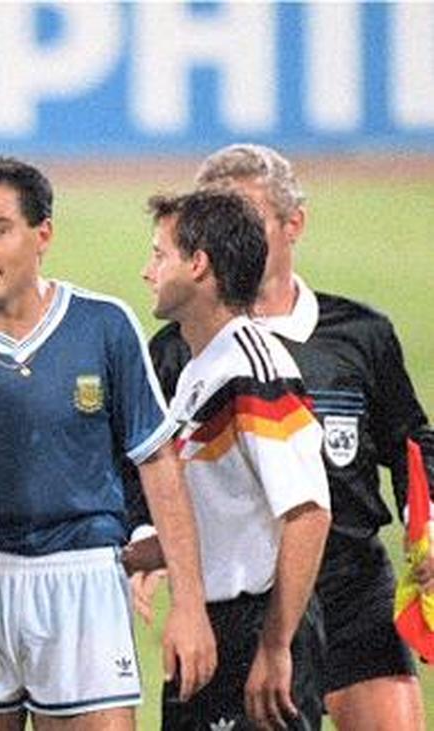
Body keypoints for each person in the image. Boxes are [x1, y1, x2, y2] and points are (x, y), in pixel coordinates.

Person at [0, 156, 215, 730]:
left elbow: (159, 466)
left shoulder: (104, 327)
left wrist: (189, 606)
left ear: (43, 234)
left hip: (82, 582)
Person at [129, 144, 431, 729]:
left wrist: (428, 529)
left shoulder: (325, 345)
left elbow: (401, 448)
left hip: (338, 591)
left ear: (294, 224)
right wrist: (142, 546)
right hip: (238, 599)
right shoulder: (180, 353)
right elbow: (154, 469)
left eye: (244, 218)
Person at [142, 189, 332, 729]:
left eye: (159, 255)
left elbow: (309, 512)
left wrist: (275, 646)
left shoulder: (253, 371)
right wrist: (131, 557)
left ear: (198, 265)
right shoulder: (202, 369)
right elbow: (224, 516)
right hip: (211, 624)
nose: (147, 271)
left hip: (252, 630)